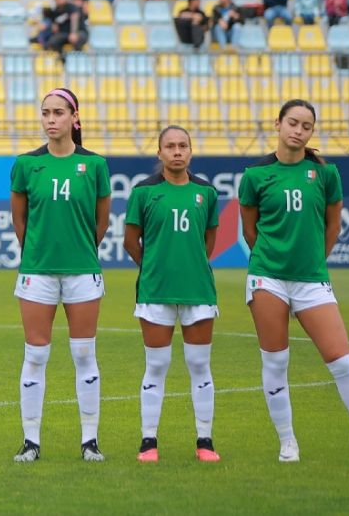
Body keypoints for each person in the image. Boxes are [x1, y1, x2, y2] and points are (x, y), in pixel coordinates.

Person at [241, 100, 349, 465]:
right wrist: (272, 261)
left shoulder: (325, 174)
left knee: (342, 362)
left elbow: (333, 225)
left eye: (306, 126)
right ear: (277, 124)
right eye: (293, 123)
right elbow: (250, 231)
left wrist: (312, 263)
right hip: (267, 277)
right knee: (276, 363)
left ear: (311, 132)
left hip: (311, 280)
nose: (298, 130)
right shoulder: (255, 175)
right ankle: (287, 443)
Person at [10, 88, 110, 463]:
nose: (51, 119)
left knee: (84, 353)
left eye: (58, 112)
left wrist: (78, 250)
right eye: (46, 113)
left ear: (74, 118)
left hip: (83, 272)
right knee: (35, 355)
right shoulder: (26, 164)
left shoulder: (95, 165)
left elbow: (101, 222)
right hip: (37, 273)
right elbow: (20, 221)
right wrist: (38, 252)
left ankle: (90, 441)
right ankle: (30, 442)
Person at [123, 126, 222, 464]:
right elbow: (130, 241)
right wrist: (155, 267)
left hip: (198, 291)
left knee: (199, 365)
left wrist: (190, 266)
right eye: (170, 146)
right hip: (155, 291)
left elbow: (208, 242)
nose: (177, 151)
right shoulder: (144, 192)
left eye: (183, 146)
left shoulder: (206, 192)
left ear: (191, 151)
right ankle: (148, 441)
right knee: (156, 365)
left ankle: (205, 441)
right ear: (160, 153)